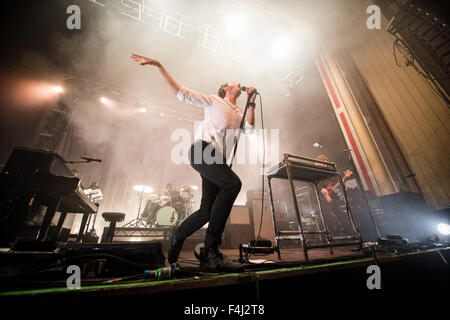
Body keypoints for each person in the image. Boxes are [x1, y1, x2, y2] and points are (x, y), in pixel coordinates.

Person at [131, 54, 256, 271]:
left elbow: (251, 128)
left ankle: (178, 234)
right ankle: (211, 250)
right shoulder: (214, 100)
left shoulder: (237, 112)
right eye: (233, 82)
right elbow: (182, 92)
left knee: (207, 212)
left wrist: (251, 101)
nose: (238, 83)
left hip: (218, 160)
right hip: (202, 150)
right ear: (226, 89)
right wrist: (160, 65)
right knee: (232, 184)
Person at [315, 154, 353, 235]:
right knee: (328, 217)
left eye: (326, 163)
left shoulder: (328, 171)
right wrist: (321, 189)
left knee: (341, 214)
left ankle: (352, 232)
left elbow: (334, 181)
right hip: (321, 197)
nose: (325, 165)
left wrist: (342, 183)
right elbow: (313, 182)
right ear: (319, 162)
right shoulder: (314, 170)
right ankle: (332, 235)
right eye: (323, 163)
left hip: (331, 196)